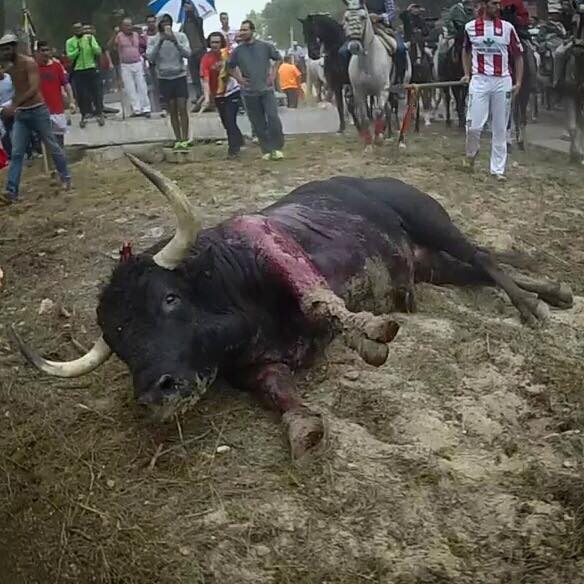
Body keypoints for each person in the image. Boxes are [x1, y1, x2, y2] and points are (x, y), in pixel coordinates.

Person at [0, 34, 71, 205]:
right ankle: (11, 191)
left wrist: (14, 105)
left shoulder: (28, 63)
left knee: (52, 145)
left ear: (14, 48)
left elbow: (33, 88)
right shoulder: (10, 66)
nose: (5, 52)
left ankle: (66, 177)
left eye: (7, 48)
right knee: (17, 153)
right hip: (22, 115)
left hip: (37, 110)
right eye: (2, 49)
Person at [462, 0, 524, 181]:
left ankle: (497, 169)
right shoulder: (470, 27)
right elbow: (465, 51)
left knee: (500, 127)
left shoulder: (507, 28)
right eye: (493, 3)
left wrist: (518, 82)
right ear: (484, 5)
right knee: (473, 126)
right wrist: (467, 73)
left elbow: (518, 56)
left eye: (498, 4)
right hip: (479, 80)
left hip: (502, 81)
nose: (497, 7)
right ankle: (471, 153)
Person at [228, 20, 285, 161]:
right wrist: (239, 79)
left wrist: (273, 74)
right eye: (241, 30)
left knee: (273, 118)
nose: (242, 32)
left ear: (252, 31)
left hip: (266, 89)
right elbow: (229, 66)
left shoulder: (265, 46)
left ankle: (277, 148)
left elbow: (278, 59)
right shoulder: (237, 51)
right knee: (258, 122)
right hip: (248, 92)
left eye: (245, 30)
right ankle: (266, 149)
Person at [147, 13, 192, 149]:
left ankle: (185, 137)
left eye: (168, 22)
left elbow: (188, 54)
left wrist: (175, 42)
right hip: (164, 77)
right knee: (172, 108)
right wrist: (160, 41)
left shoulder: (180, 36)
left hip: (179, 75)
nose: (166, 24)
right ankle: (177, 138)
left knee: (182, 106)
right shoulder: (154, 39)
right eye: (163, 22)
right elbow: (150, 57)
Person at [200, 32, 244, 158]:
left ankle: (233, 149)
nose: (215, 45)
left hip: (232, 91)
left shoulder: (227, 55)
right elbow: (206, 80)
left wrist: (241, 81)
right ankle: (239, 139)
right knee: (226, 122)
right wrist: (207, 97)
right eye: (213, 42)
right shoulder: (206, 59)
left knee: (230, 120)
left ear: (221, 43)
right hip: (218, 95)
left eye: (217, 42)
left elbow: (234, 69)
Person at [36, 41, 76, 150]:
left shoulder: (57, 66)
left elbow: (66, 85)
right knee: (46, 140)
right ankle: (49, 163)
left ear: (51, 51)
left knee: (59, 139)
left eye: (47, 50)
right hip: (41, 109)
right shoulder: (33, 68)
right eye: (42, 50)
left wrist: (71, 101)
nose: (45, 53)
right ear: (38, 52)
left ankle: (60, 162)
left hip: (57, 109)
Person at [110, 17, 151, 118]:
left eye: (130, 25)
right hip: (125, 64)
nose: (129, 27)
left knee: (142, 86)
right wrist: (114, 34)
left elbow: (144, 45)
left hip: (137, 62)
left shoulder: (136, 34)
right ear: (122, 27)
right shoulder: (119, 35)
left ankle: (146, 108)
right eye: (126, 25)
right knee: (130, 88)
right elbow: (111, 46)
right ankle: (136, 109)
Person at [66, 22, 104, 128]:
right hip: (79, 70)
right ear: (73, 31)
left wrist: (92, 44)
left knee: (96, 91)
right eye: (76, 29)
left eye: (80, 28)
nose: (79, 30)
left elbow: (98, 51)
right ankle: (85, 113)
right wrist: (77, 50)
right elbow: (70, 56)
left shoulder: (89, 38)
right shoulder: (70, 42)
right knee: (82, 94)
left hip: (91, 67)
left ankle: (99, 112)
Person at [181, 0, 205, 101]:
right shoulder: (184, 24)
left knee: (204, 75)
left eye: (189, 5)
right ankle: (199, 95)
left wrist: (191, 12)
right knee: (195, 77)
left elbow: (198, 23)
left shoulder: (198, 20)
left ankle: (208, 95)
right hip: (190, 53)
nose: (187, 7)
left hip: (200, 51)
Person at [145, 13, 162, 112]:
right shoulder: (144, 35)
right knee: (155, 85)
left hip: (162, 61)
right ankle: (157, 106)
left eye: (153, 22)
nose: (151, 24)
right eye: (149, 22)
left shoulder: (160, 34)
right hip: (151, 63)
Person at [0, 62, 14, 158]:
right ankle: (9, 155)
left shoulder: (9, 78)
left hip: (14, 106)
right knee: (5, 133)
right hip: (2, 111)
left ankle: (29, 152)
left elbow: (16, 91)